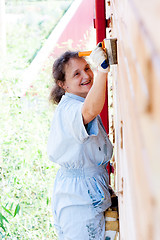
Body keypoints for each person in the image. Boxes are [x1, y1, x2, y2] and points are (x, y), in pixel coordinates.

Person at [47, 43, 113, 240]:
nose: (86, 76)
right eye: (76, 74)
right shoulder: (69, 110)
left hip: (86, 192)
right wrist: (102, 72)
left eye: (87, 68)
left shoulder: (78, 102)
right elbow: (90, 111)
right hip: (78, 200)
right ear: (63, 84)